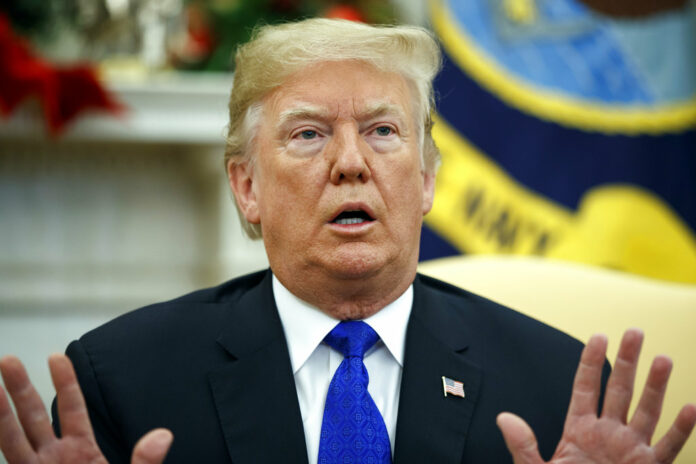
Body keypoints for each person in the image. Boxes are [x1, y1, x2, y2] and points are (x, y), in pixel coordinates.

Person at [1, 18, 695, 464]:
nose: (351, 161)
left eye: (384, 131)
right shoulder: (121, 383)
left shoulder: (559, 392)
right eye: (307, 134)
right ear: (246, 187)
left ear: (426, 180)